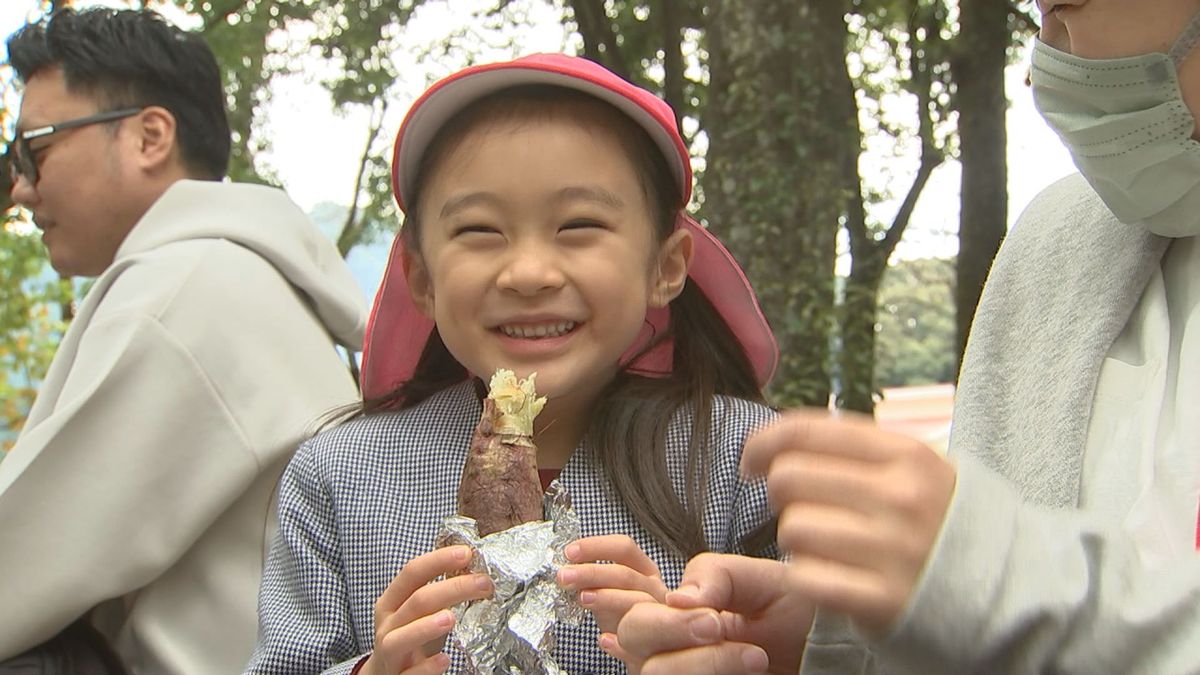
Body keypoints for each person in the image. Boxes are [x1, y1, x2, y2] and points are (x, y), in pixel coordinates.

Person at [613, 1, 1200, 673]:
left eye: (1068, 8)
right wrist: (844, 639)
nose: (1047, 66)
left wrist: (997, 586)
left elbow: (1005, 593)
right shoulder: (1060, 245)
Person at [246, 53, 782, 674]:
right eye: (479, 230)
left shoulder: (747, 463)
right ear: (421, 279)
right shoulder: (336, 476)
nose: (528, 273)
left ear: (665, 267)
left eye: (579, 224)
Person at [0, 7, 366, 674]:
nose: (21, 187)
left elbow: (17, 557)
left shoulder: (183, 290)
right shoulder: (245, 270)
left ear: (149, 136)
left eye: (35, 149)